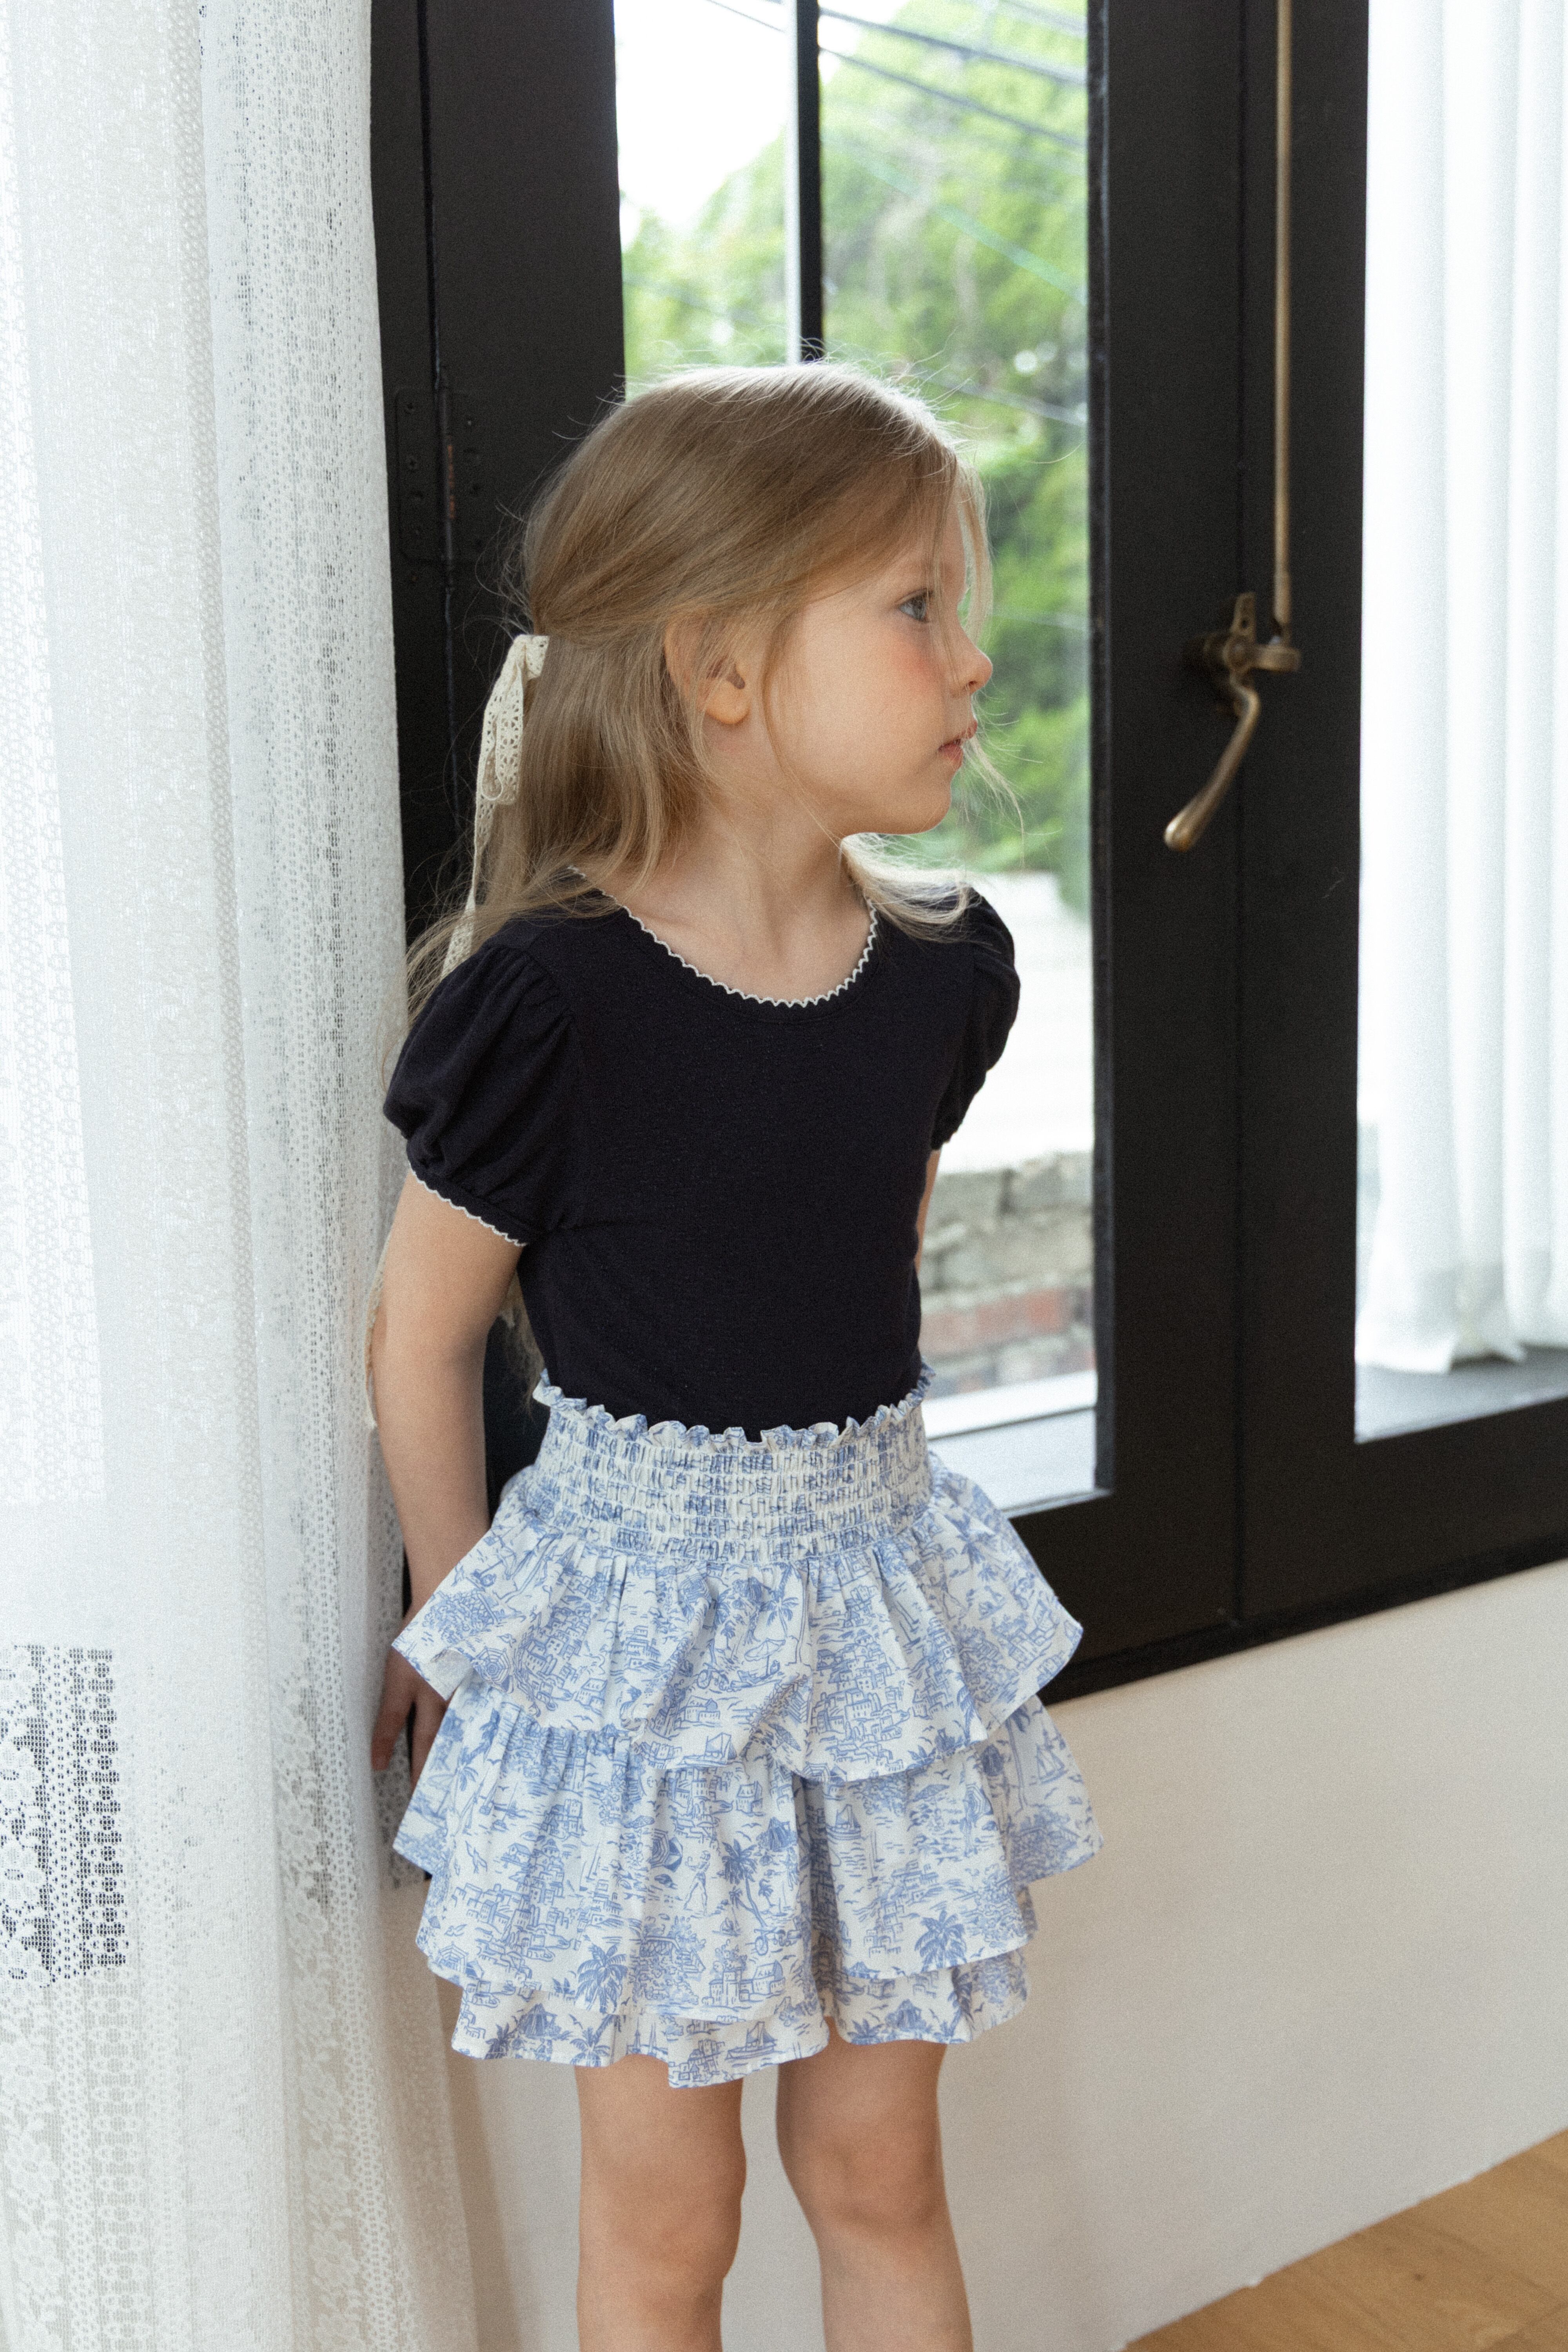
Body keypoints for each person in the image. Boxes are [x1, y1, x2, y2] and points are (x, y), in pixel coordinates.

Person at [368, 363, 1100, 2352]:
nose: (973, 660)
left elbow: (874, 1258)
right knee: (667, 2220)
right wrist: (464, 1635)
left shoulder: (942, 974)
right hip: (633, 1675)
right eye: (916, 606)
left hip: (874, 1629)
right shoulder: (550, 1002)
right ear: (714, 667)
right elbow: (420, 1334)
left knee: (878, 2178)